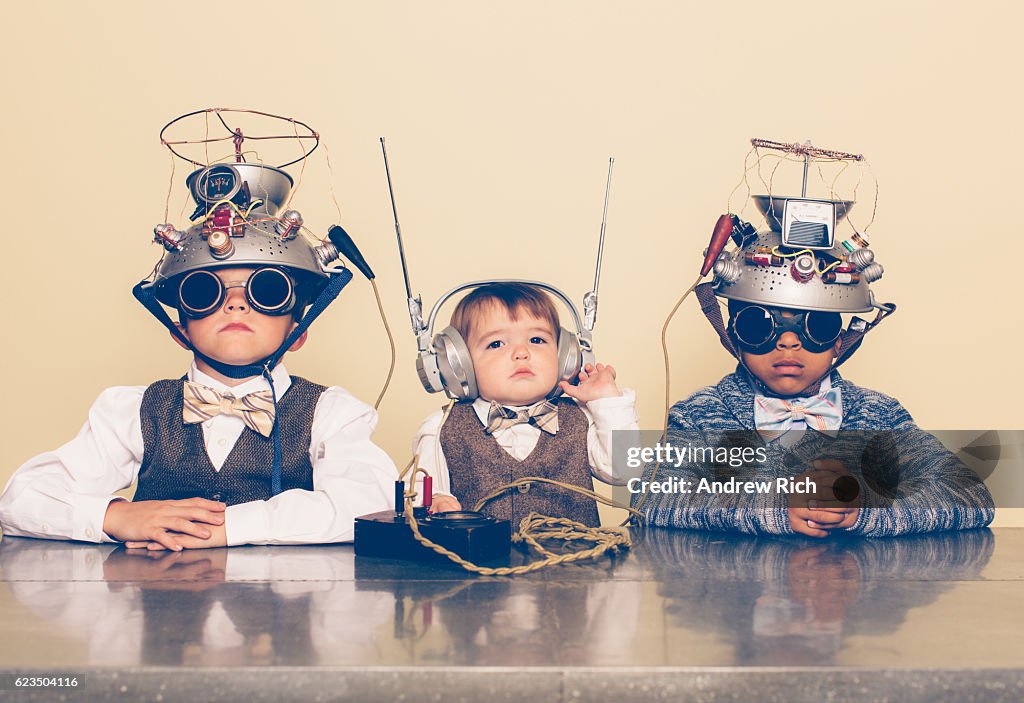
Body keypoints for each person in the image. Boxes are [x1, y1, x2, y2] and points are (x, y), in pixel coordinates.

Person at [0, 163, 396, 550]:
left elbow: (372, 504)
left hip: (284, 609)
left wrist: (231, 526)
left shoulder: (330, 414)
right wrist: (115, 516)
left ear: (297, 332)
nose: (236, 305)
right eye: (206, 293)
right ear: (180, 330)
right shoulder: (134, 411)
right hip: (157, 607)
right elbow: (21, 499)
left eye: (268, 292)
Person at [639, 206, 994, 537]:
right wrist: (773, 510)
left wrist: (866, 511)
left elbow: (971, 495)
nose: (789, 343)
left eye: (817, 326)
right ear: (732, 334)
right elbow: (649, 500)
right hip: (737, 598)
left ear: (842, 339)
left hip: (857, 595)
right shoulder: (700, 415)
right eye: (759, 325)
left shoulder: (878, 415)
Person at [412, 282, 638, 527]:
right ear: (457, 365)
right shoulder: (441, 428)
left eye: (537, 340)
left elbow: (626, 469)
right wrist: (436, 499)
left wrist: (606, 399)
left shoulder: (582, 417)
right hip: (477, 563)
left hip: (578, 561)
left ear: (566, 357)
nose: (521, 352)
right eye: (496, 344)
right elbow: (421, 494)